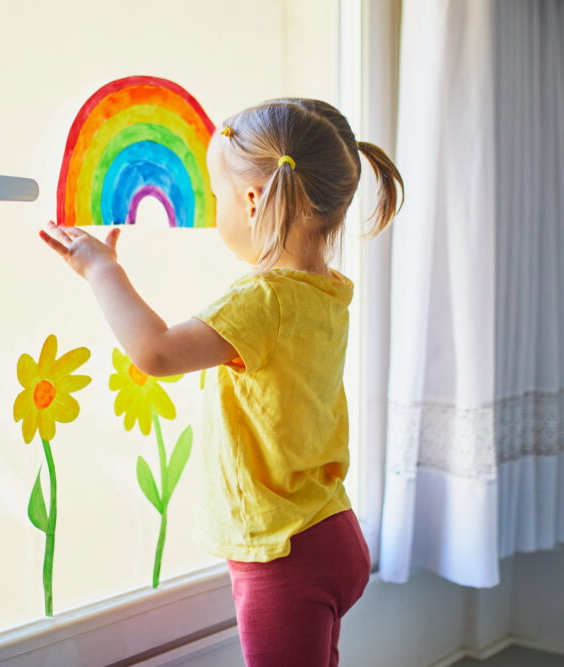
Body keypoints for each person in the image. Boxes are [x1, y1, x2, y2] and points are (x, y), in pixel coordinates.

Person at [39, 98, 403, 666]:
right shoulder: (326, 289)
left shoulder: (260, 301)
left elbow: (155, 352)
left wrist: (101, 268)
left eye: (217, 195)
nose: (212, 208)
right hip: (331, 530)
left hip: (283, 556)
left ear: (255, 200)